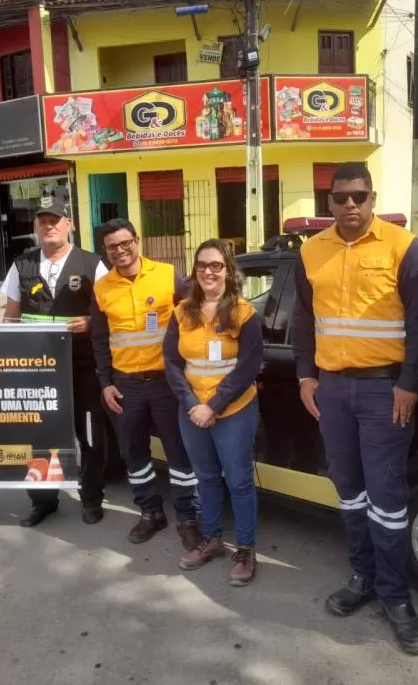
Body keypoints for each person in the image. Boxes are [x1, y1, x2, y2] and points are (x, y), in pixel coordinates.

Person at [292, 162, 418, 655]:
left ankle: (397, 599)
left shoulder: (401, 245)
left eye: (359, 196)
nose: (350, 205)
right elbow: (304, 320)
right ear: (328, 203)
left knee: (388, 500)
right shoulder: (311, 251)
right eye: (340, 198)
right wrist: (306, 375)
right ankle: (363, 577)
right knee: (349, 491)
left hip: (384, 392)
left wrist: (410, 385)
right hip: (332, 390)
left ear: (372, 198)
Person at [1, 192, 111, 527]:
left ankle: (92, 498)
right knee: (40, 436)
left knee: (90, 434)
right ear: (36, 227)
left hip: (83, 367)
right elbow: (11, 317)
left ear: (69, 224)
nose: (50, 226)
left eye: (56, 220)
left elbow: (109, 313)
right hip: (37, 370)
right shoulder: (22, 264)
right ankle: (44, 500)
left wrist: (92, 323)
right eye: (43, 221)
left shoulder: (92, 263)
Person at [91, 218, 201, 551]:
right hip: (126, 386)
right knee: (133, 452)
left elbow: (194, 320)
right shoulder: (102, 287)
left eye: (126, 243)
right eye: (113, 247)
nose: (120, 251)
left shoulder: (167, 275)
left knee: (180, 453)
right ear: (106, 251)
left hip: (167, 383)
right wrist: (105, 382)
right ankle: (151, 512)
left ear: (137, 241)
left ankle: (188, 518)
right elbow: (99, 338)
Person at [163, 239, 264, 585]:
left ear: (228, 271)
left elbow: (248, 367)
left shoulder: (244, 313)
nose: (208, 271)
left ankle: (247, 549)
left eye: (216, 265)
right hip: (193, 411)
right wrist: (194, 406)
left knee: (238, 480)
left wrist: (214, 406)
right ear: (195, 270)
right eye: (202, 265)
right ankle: (213, 539)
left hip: (233, 409)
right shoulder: (181, 312)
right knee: (205, 478)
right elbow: (172, 364)